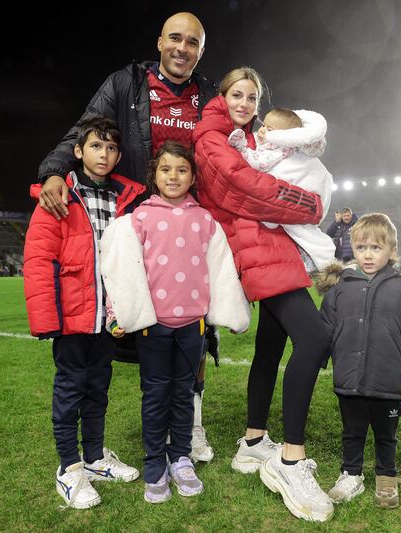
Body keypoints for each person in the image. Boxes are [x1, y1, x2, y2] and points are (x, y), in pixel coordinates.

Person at [35, 12, 218, 462]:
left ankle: (190, 427)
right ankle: (127, 436)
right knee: (134, 332)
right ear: (159, 42)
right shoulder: (125, 84)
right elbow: (85, 129)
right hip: (137, 226)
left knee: (194, 325)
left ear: (200, 51)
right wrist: (54, 171)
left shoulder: (207, 97)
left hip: (188, 228)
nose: (182, 48)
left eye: (192, 42)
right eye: (175, 38)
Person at [194, 66, 333, 522]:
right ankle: (290, 462)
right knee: (314, 338)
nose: (245, 104)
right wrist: (308, 204)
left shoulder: (250, 139)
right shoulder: (211, 137)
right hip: (255, 247)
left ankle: (253, 443)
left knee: (272, 346)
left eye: (252, 98)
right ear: (222, 95)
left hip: (268, 244)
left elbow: (279, 166)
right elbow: (246, 189)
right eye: (238, 94)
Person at [99, 141, 250, 504]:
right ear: (154, 175)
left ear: (193, 177)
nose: (173, 176)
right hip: (153, 327)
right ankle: (155, 463)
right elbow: (121, 270)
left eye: (182, 170)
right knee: (155, 395)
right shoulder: (138, 219)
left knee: (184, 395)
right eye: (166, 169)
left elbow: (221, 270)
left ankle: (180, 457)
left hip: (192, 327)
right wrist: (117, 312)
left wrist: (229, 310)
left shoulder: (205, 221)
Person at [23, 118, 143, 510]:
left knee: (98, 390)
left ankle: (93, 458)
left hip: (108, 318)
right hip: (72, 315)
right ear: (78, 151)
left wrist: (127, 307)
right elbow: (39, 259)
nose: (103, 155)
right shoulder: (58, 195)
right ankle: (68, 467)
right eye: (95, 147)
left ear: (118, 155)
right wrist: (46, 320)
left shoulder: (125, 198)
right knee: (69, 390)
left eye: (110, 149)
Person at [316, 213, 401, 509]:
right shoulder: (341, 286)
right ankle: (350, 474)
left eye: (376, 248)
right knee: (352, 432)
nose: (367, 255)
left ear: (392, 251)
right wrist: (315, 361)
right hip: (349, 379)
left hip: (388, 380)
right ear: (351, 249)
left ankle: (386, 477)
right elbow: (325, 328)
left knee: (386, 435)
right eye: (361, 247)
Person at [228, 107, 335, 271]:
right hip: (306, 196)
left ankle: (315, 259)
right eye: (264, 125)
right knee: (302, 230)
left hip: (302, 193)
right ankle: (316, 257)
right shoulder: (290, 148)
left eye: (269, 129)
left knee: (300, 230)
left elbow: (259, 163)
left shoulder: (280, 149)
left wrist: (241, 148)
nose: (262, 131)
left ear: (285, 137)